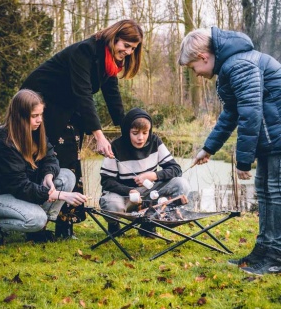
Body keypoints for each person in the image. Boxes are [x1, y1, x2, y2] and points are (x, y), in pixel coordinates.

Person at [20, 19, 143, 238]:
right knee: (46, 159)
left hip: (68, 107)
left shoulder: (109, 62)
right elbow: (83, 93)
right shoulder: (85, 52)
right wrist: (99, 135)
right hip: (41, 102)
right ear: (114, 38)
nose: (128, 52)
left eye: (132, 48)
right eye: (125, 45)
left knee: (71, 161)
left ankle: (65, 225)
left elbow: (112, 96)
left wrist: (126, 132)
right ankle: (35, 225)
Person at [178, 26, 281, 275]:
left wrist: (243, 161)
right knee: (266, 192)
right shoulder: (233, 65)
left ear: (203, 57)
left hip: (276, 137)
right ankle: (264, 249)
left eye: (194, 68)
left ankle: (276, 255)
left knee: (275, 193)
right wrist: (208, 148)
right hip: (272, 137)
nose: (197, 74)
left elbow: (250, 113)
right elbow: (231, 114)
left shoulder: (239, 65)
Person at [0, 89, 87, 246]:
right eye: (34, 116)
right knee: (35, 219)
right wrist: (59, 195)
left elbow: (51, 158)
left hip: (23, 192)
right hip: (0, 195)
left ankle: (39, 230)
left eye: (41, 115)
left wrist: (48, 176)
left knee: (67, 176)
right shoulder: (3, 141)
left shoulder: (36, 132)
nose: (39, 120)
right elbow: (19, 186)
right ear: (20, 117)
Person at [99, 107, 191, 238]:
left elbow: (176, 169)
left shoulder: (155, 142)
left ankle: (149, 224)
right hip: (124, 195)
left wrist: (153, 175)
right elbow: (106, 181)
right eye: (135, 133)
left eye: (145, 133)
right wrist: (128, 191)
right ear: (127, 131)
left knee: (182, 184)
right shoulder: (116, 146)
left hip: (150, 194)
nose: (140, 138)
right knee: (111, 205)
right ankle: (114, 225)